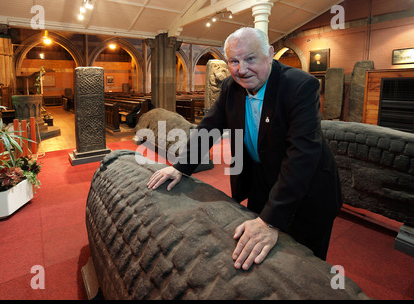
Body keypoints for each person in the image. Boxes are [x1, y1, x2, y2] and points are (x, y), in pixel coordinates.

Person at [147, 27, 342, 271]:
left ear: (270, 53)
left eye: (250, 58)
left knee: (303, 265)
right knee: (260, 260)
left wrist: (270, 222)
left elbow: (302, 157)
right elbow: (209, 128)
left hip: (308, 191)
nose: (241, 69)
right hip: (262, 182)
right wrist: (180, 168)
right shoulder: (231, 86)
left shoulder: (300, 86)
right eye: (234, 61)